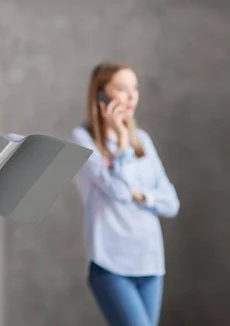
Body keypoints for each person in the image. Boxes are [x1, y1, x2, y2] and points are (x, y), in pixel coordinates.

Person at [71, 61, 180, 326]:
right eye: (122, 88)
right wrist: (120, 140)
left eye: (135, 88)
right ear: (101, 94)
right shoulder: (82, 139)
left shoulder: (142, 140)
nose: (132, 97)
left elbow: (171, 203)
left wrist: (141, 195)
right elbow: (120, 192)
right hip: (110, 264)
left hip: (150, 261)